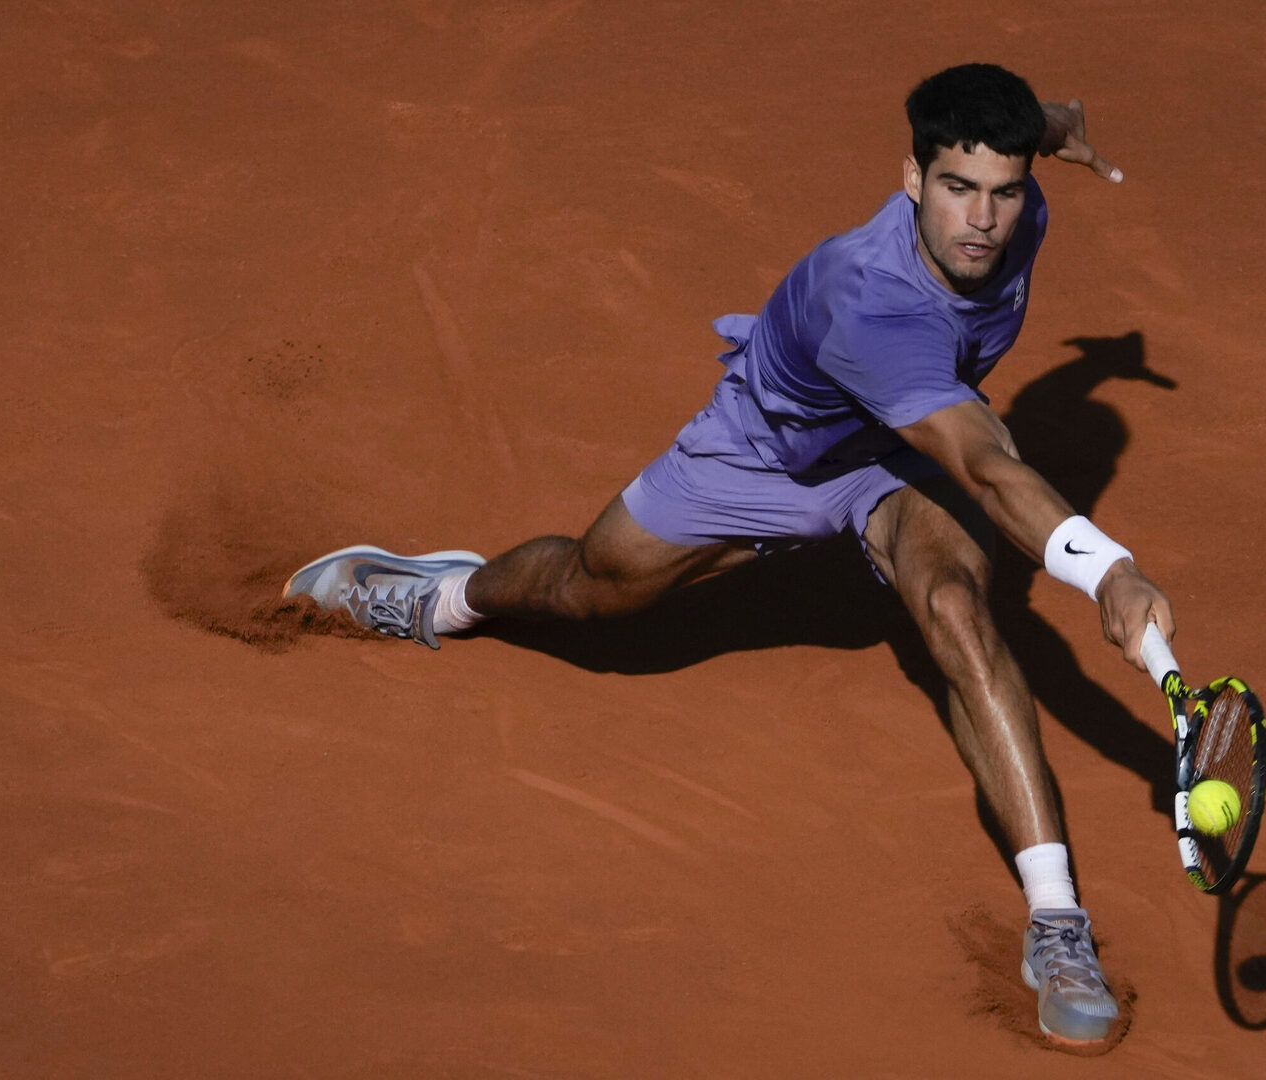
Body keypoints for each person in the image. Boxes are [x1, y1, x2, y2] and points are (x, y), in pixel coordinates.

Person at [284, 63, 1174, 1046]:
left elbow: (1016, 147)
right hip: (768, 454)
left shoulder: (1015, 203)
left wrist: (1053, 124)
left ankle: (1055, 923)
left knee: (958, 610)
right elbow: (987, 464)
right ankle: (444, 595)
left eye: (1003, 192)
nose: (983, 220)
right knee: (592, 588)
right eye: (956, 189)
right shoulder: (867, 300)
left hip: (899, 455)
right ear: (910, 179)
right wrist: (1107, 568)